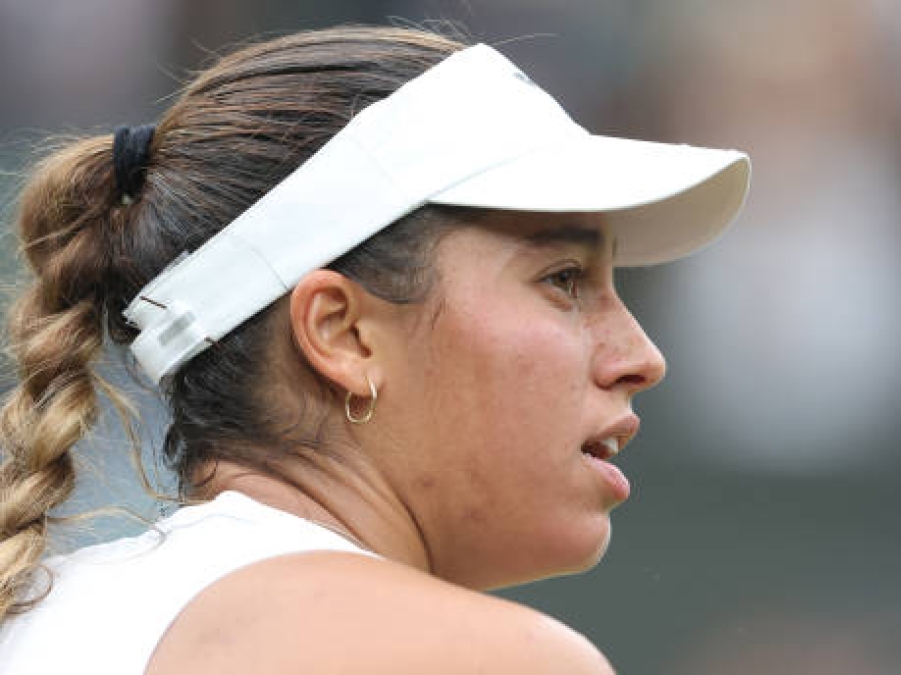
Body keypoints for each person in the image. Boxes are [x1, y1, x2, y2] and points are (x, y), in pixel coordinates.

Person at [0, 25, 749, 674]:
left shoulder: (31, 619)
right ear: (342, 333)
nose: (642, 356)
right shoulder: (488, 659)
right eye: (563, 279)